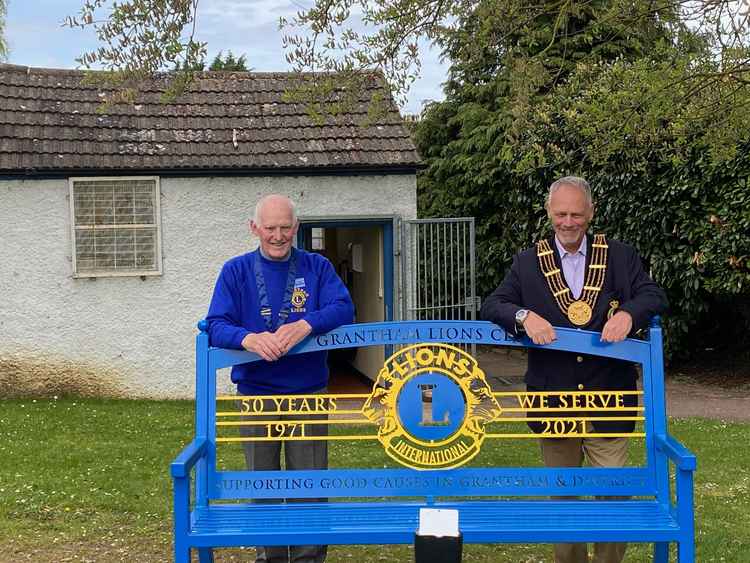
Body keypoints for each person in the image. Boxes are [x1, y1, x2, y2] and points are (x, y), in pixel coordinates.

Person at [480, 176, 668, 563]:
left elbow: (653, 294)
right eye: (561, 214)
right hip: (554, 403)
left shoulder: (620, 256)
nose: (568, 222)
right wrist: (522, 314)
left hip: (610, 400)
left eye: (577, 214)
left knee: (613, 499)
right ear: (549, 213)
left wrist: (631, 314)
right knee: (562, 502)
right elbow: (493, 304)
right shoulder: (527, 262)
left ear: (591, 213)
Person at [206, 194, 354, 563]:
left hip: (308, 393)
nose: (277, 236)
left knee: (309, 484)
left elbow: (343, 307)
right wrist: (249, 338)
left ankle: (308, 559)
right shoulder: (235, 271)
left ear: (296, 227)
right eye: (270, 228)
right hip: (256, 396)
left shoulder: (317, 267)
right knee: (263, 484)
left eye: (285, 227)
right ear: (254, 228)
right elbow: (215, 325)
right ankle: (269, 557)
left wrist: (306, 323)